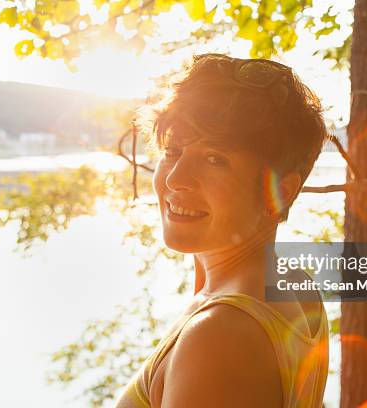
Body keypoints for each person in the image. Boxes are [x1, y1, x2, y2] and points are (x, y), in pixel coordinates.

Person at [115, 53, 329, 407]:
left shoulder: (219, 336)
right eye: (173, 151)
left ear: (280, 193)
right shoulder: (293, 284)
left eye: (215, 159)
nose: (175, 178)